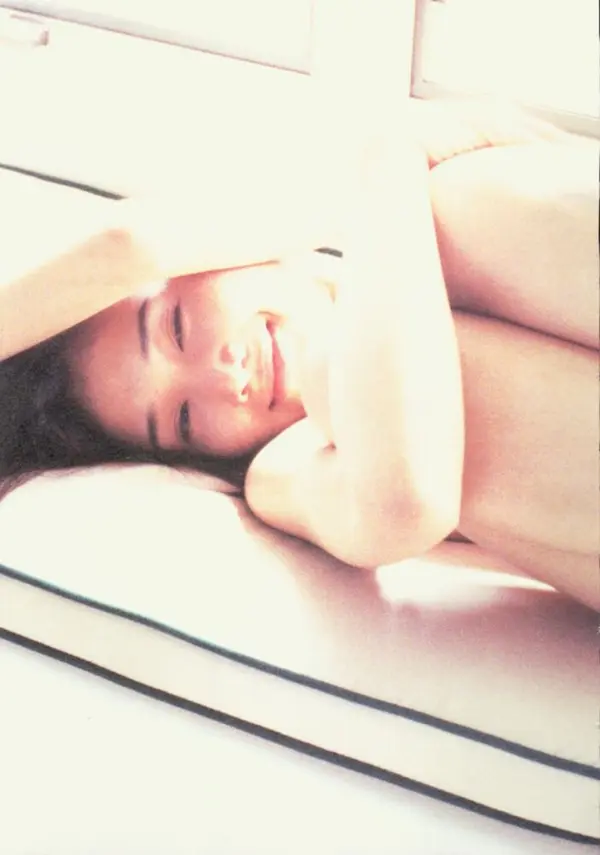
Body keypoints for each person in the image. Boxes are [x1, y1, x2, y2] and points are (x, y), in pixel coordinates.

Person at [1, 99, 598, 609]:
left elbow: (125, 244)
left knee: (460, 205)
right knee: (341, 372)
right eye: (184, 419)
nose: (224, 378)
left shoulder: (440, 218)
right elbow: (406, 504)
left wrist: (387, 162)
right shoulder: (283, 470)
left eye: (177, 328)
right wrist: (389, 161)